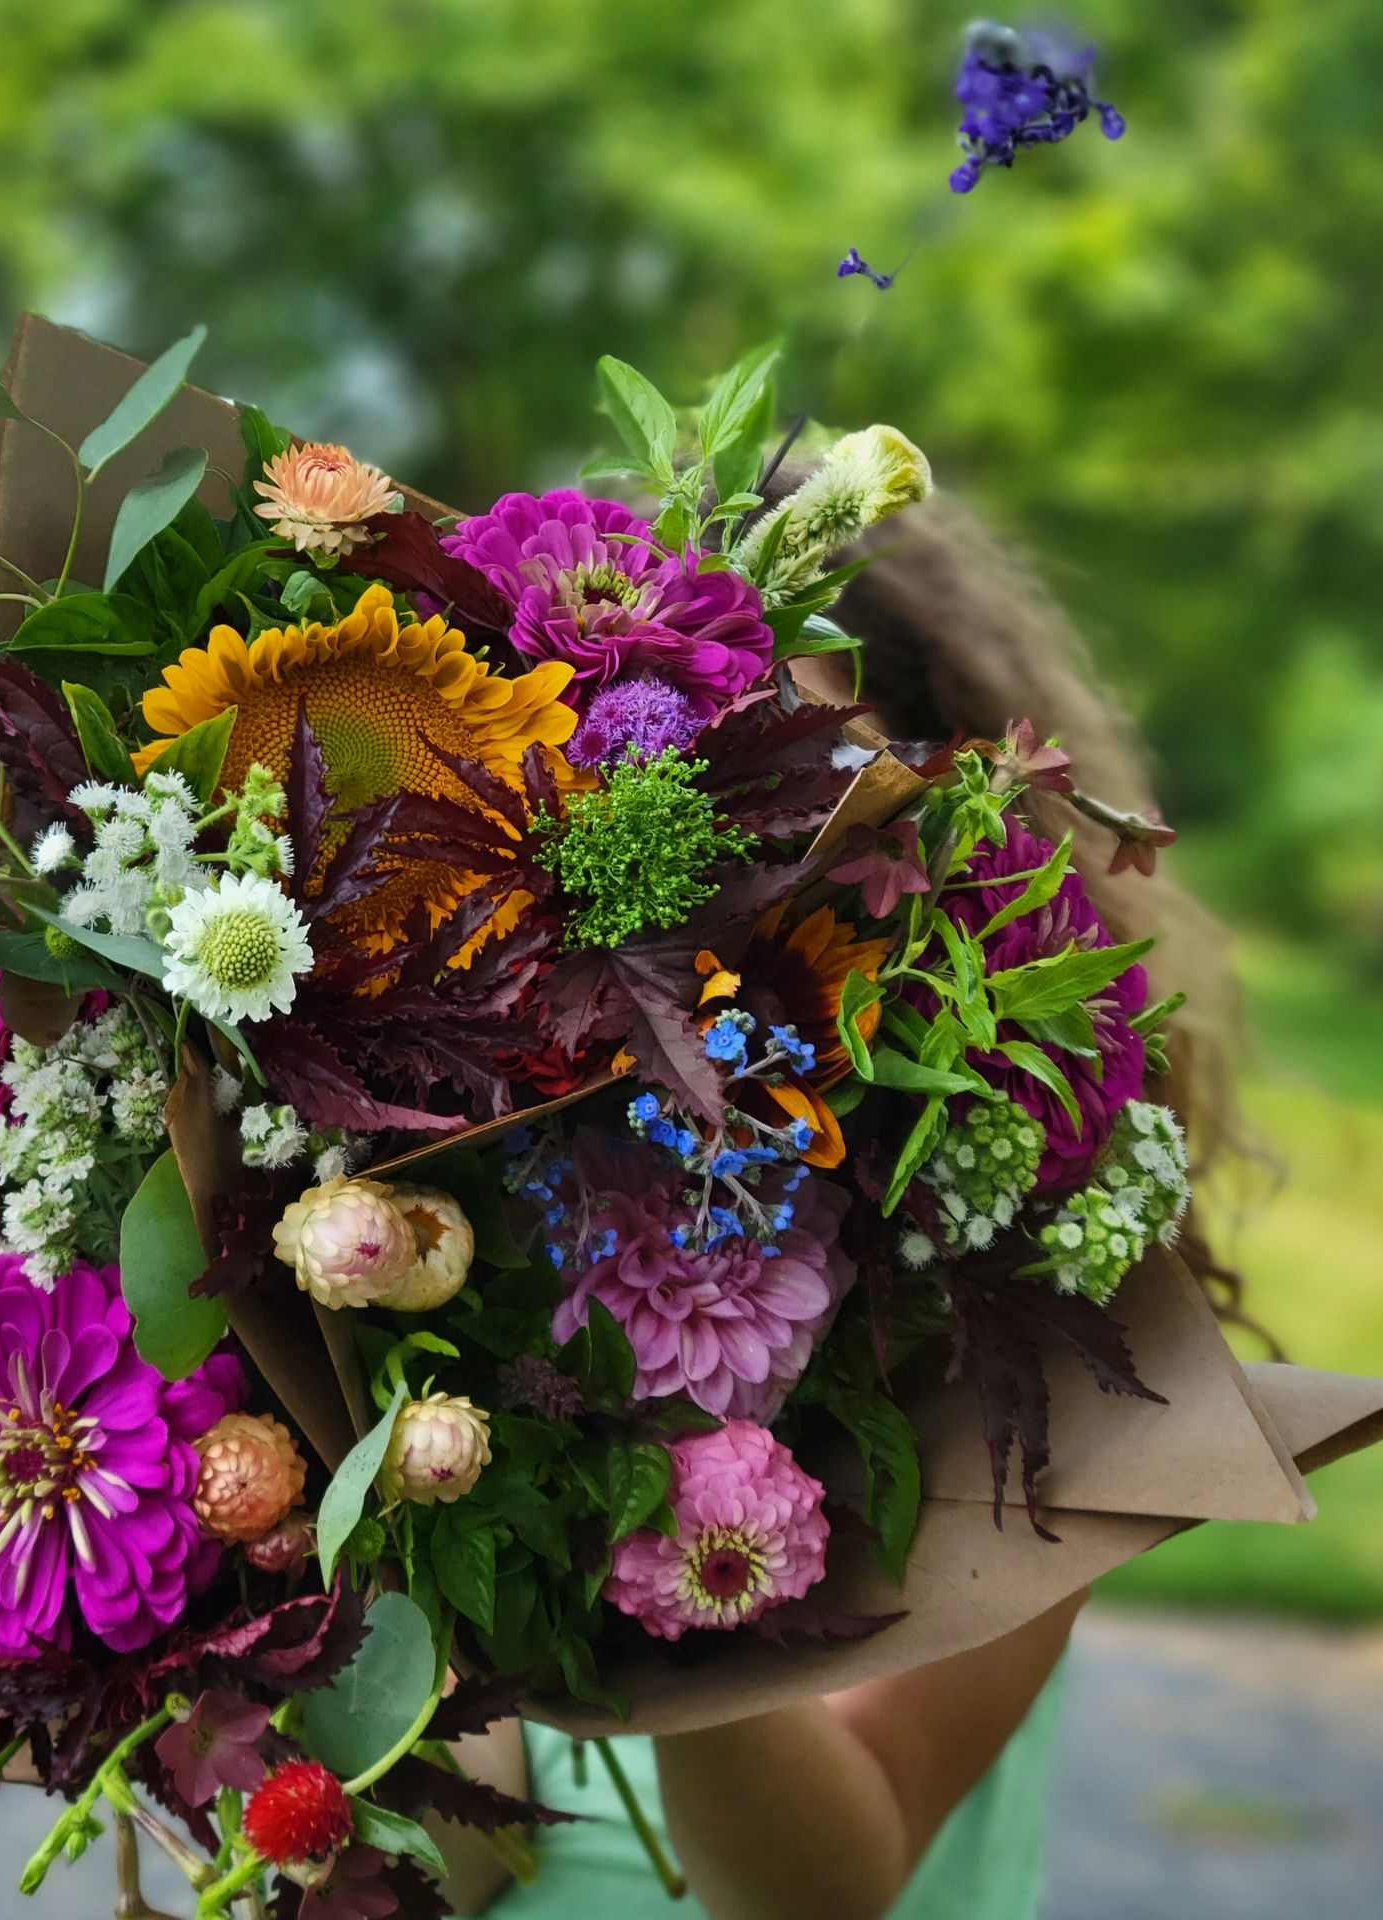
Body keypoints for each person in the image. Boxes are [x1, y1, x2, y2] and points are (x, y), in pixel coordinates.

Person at [439, 492, 1254, 1920]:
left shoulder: (1034, 1342)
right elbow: (446, 1851)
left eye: (798, 782)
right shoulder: (478, 1247)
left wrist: (680, 1554)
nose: (723, 864)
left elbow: (831, 1887)